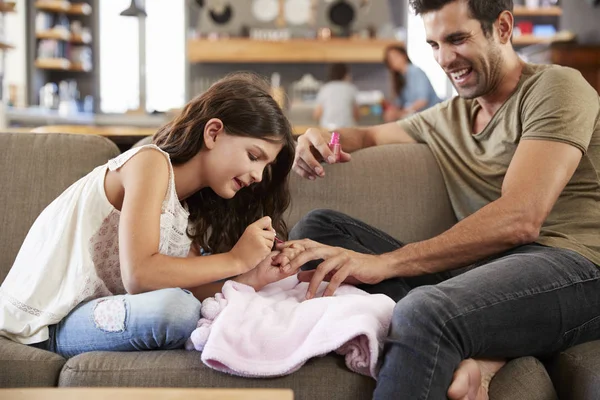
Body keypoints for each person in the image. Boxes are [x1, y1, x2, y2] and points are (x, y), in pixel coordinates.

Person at [281, 0, 600, 399]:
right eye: (433, 44)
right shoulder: (449, 116)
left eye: (457, 39)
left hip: (577, 268)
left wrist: (386, 263)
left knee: (425, 311)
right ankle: (469, 347)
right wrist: (321, 139)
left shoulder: (556, 88)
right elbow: (371, 136)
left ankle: (456, 340)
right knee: (318, 230)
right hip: (485, 275)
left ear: (502, 28)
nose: (444, 59)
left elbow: (521, 217)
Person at [0, 72, 302, 359]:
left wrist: (253, 277)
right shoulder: (149, 163)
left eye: (266, 167)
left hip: (87, 314)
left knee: (181, 305)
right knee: (175, 310)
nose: (259, 176)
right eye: (253, 156)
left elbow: (192, 290)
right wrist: (236, 259)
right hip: (45, 323)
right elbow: (140, 276)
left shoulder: (191, 211)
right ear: (213, 133)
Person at [383, 45, 442, 122]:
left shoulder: (415, 71)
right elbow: (399, 103)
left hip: (434, 117)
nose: (393, 61)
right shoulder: (400, 78)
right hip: (419, 119)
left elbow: (422, 101)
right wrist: (392, 111)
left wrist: (401, 113)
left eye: (395, 57)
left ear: (404, 56)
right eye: (390, 60)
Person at [313, 63, 360, 130]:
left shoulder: (325, 88)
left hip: (327, 129)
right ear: (345, 74)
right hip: (348, 129)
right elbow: (356, 115)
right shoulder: (351, 88)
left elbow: (317, 114)